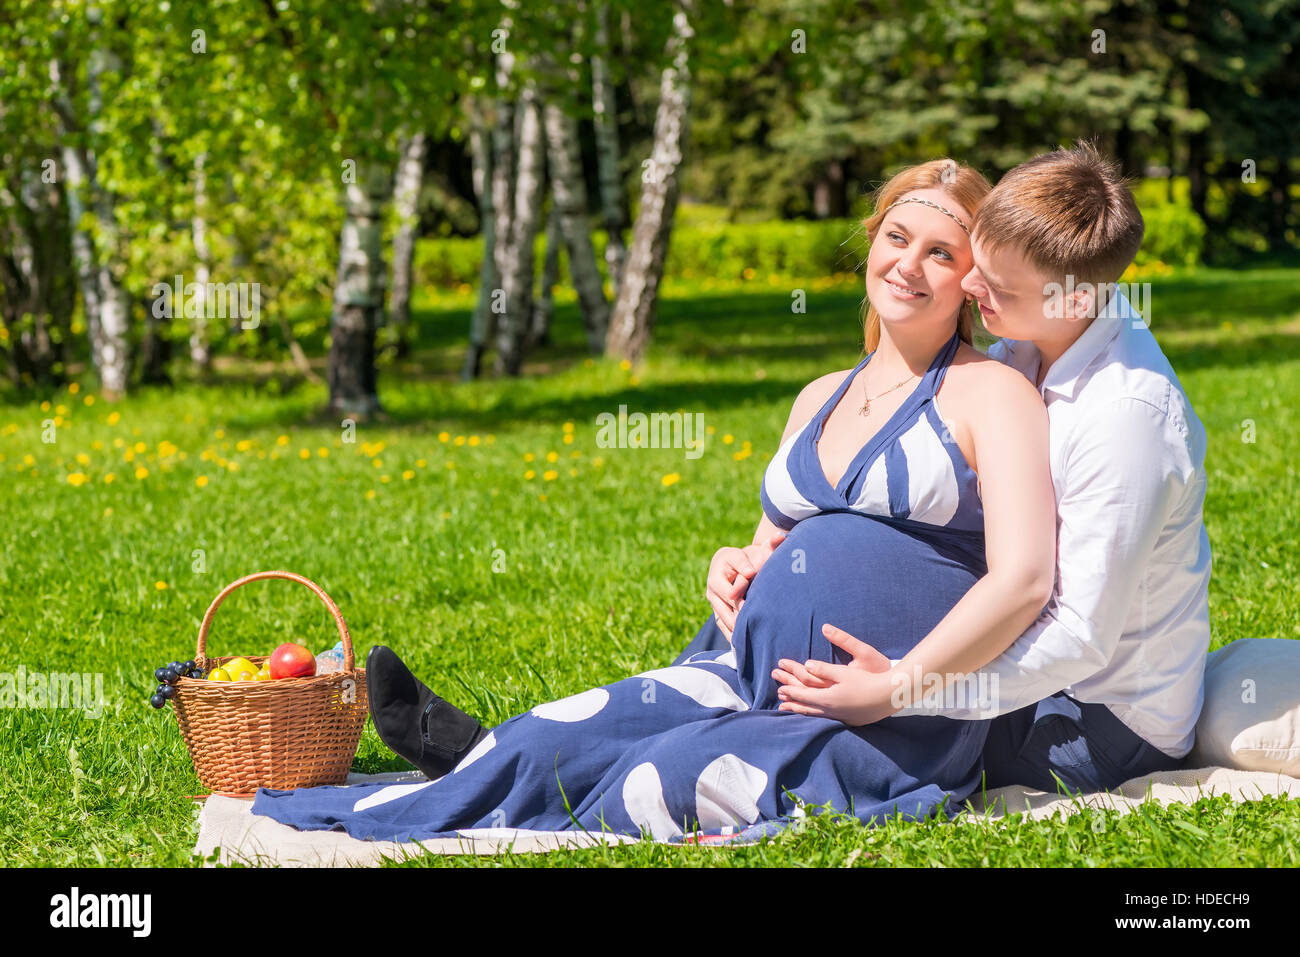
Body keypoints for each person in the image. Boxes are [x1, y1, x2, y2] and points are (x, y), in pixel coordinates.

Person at [249, 158, 1058, 844]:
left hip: (897, 719)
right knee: (556, 732)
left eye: (941, 252)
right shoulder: (819, 396)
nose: (909, 265)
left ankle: (482, 769)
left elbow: (1022, 579)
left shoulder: (992, 395)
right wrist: (737, 565)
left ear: (970, 278)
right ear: (873, 241)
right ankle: (484, 754)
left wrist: (897, 687)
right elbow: (771, 543)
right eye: (897, 237)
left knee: (663, 777)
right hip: (745, 670)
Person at [699, 142, 1210, 796]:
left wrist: (899, 692)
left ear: (1070, 299)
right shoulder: (1029, 346)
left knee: (835, 749)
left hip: (1088, 718)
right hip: (1021, 679)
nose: (970, 287)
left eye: (995, 287)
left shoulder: (1127, 418)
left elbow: (1077, 637)